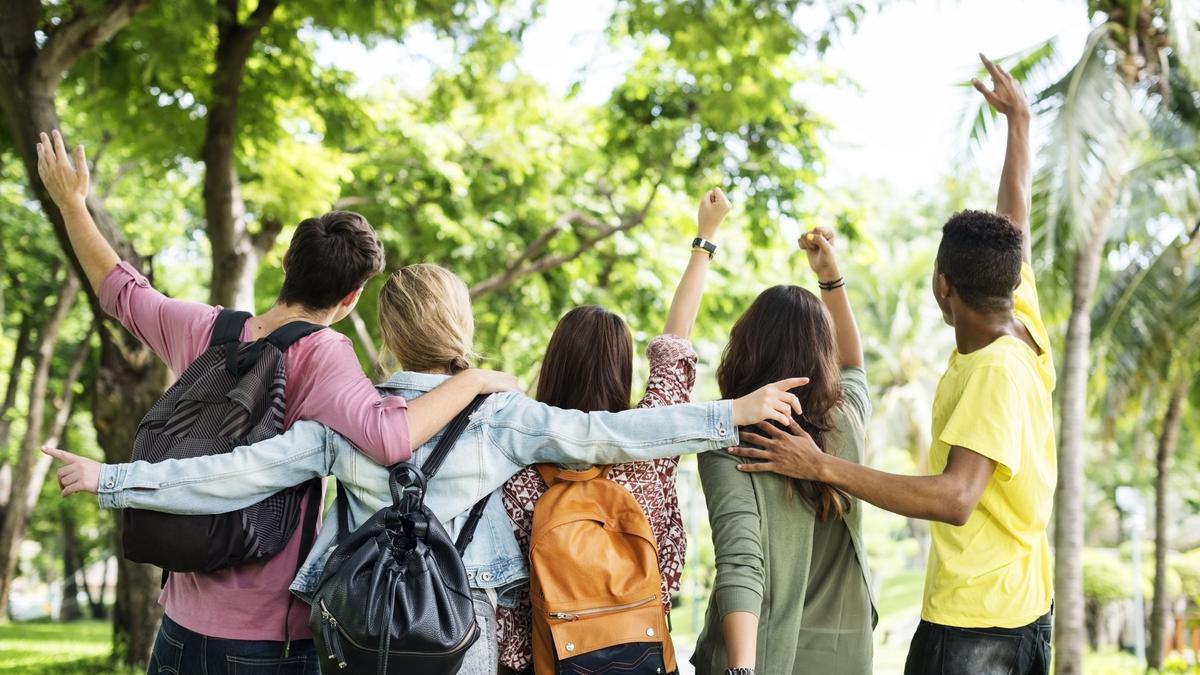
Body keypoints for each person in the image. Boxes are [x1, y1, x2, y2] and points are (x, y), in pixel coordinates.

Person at [45, 262, 808, 675]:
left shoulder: (345, 419)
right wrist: (730, 414)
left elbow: (234, 473)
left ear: (386, 337)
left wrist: (112, 478)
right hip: (460, 636)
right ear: (461, 329)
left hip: (355, 633)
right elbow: (616, 433)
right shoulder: (502, 415)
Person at [35, 130, 515, 673]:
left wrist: (72, 203)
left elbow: (122, 291)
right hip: (266, 639)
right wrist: (474, 380)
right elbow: (391, 437)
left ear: (286, 261)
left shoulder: (205, 329)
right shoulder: (326, 354)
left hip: (177, 626)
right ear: (351, 296)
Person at [729, 55, 1055, 675]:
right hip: (1023, 610)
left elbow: (957, 496)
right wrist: (1019, 124)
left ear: (942, 286)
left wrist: (822, 464)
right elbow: (1014, 220)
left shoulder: (993, 372)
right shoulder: (1020, 316)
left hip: (977, 626)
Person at [496, 188, 732, 672]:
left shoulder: (513, 459)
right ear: (620, 370)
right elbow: (675, 342)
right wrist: (704, 238)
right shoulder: (651, 444)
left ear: (553, 364)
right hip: (638, 654)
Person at [691, 225, 875, 675]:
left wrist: (740, 669)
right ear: (821, 353)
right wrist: (830, 277)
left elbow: (740, 564)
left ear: (746, 348)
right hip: (846, 655)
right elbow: (853, 364)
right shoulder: (845, 420)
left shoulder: (731, 436)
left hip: (765, 657)